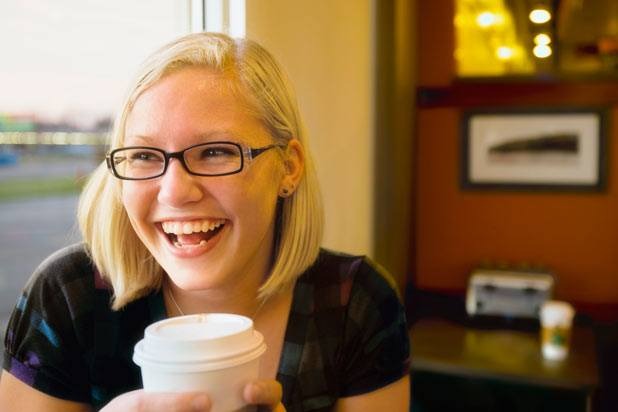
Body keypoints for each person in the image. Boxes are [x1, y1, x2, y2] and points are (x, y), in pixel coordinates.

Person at [0, 32, 410, 411]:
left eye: (215, 152)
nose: (174, 192)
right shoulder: (68, 297)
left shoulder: (354, 302)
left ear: (288, 168)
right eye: (144, 156)